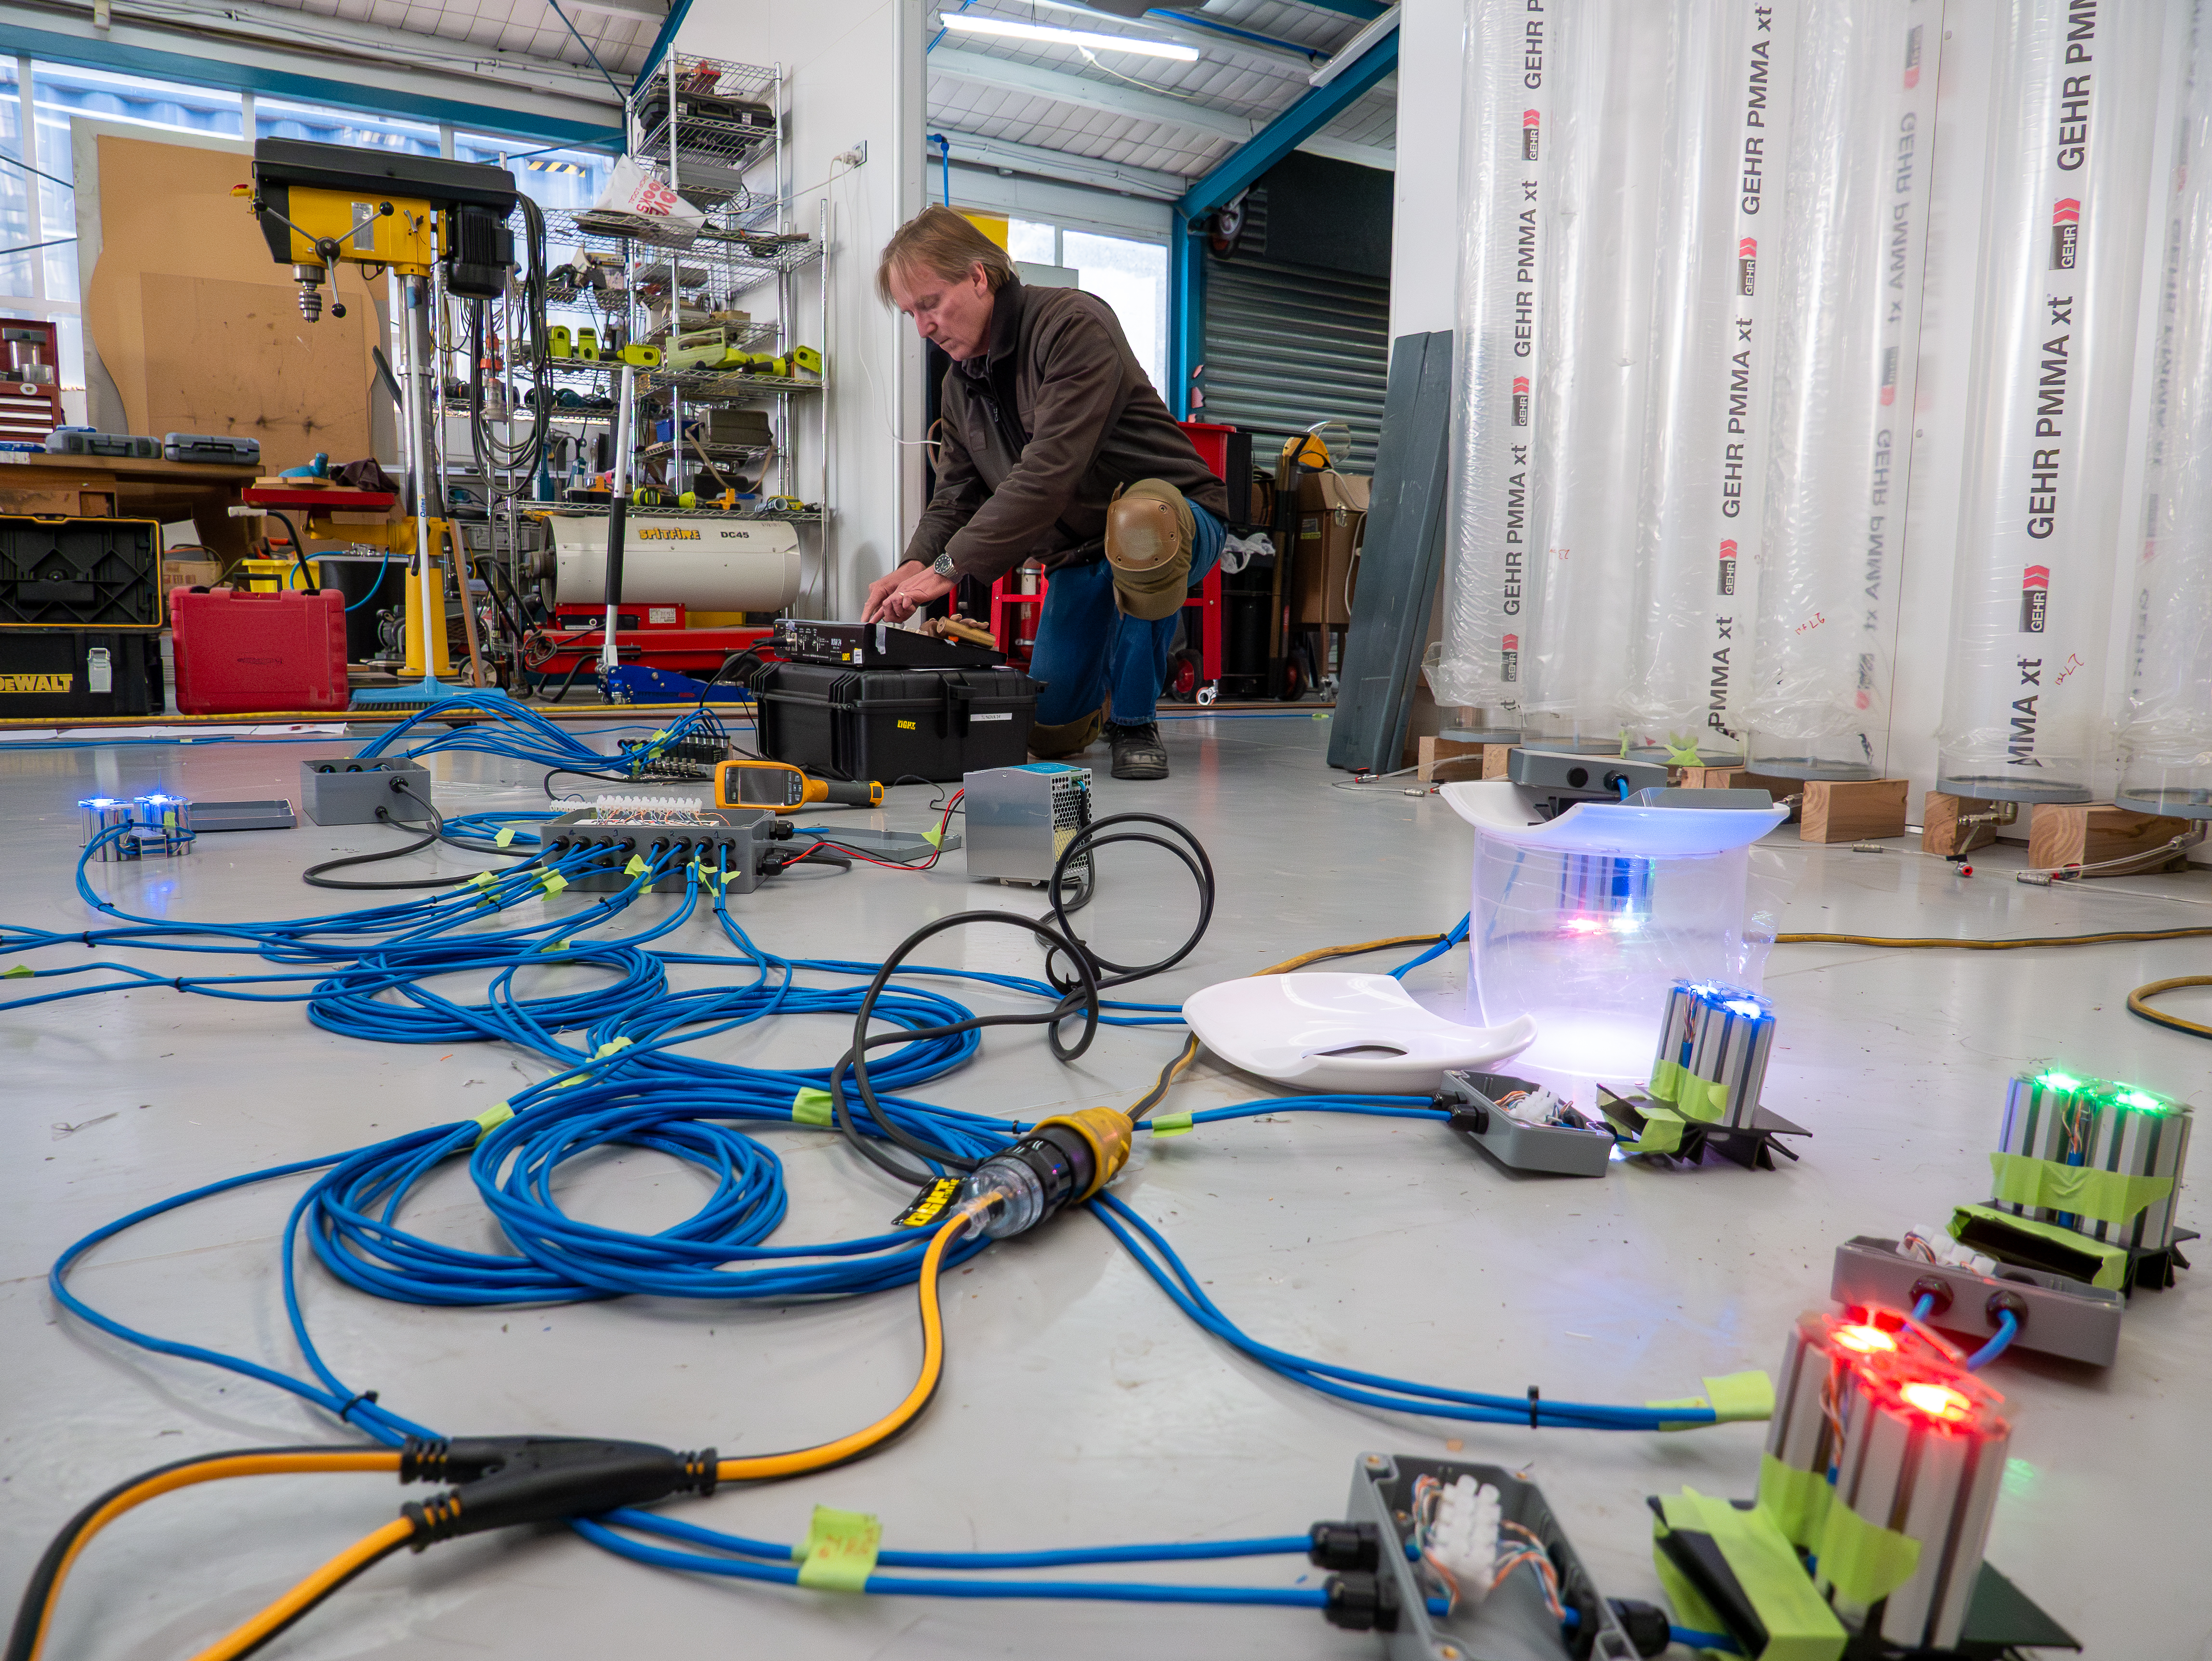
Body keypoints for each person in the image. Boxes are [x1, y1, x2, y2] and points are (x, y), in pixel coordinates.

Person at [862, 206, 1228, 781]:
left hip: (1173, 518)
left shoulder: (1071, 325)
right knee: (1050, 730)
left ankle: (1133, 720)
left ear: (978, 277)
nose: (922, 328)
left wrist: (949, 567)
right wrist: (915, 564)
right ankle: (1116, 653)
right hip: (1080, 555)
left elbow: (1049, 470)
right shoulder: (959, 385)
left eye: (929, 304)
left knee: (1141, 525)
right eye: (911, 313)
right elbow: (954, 496)